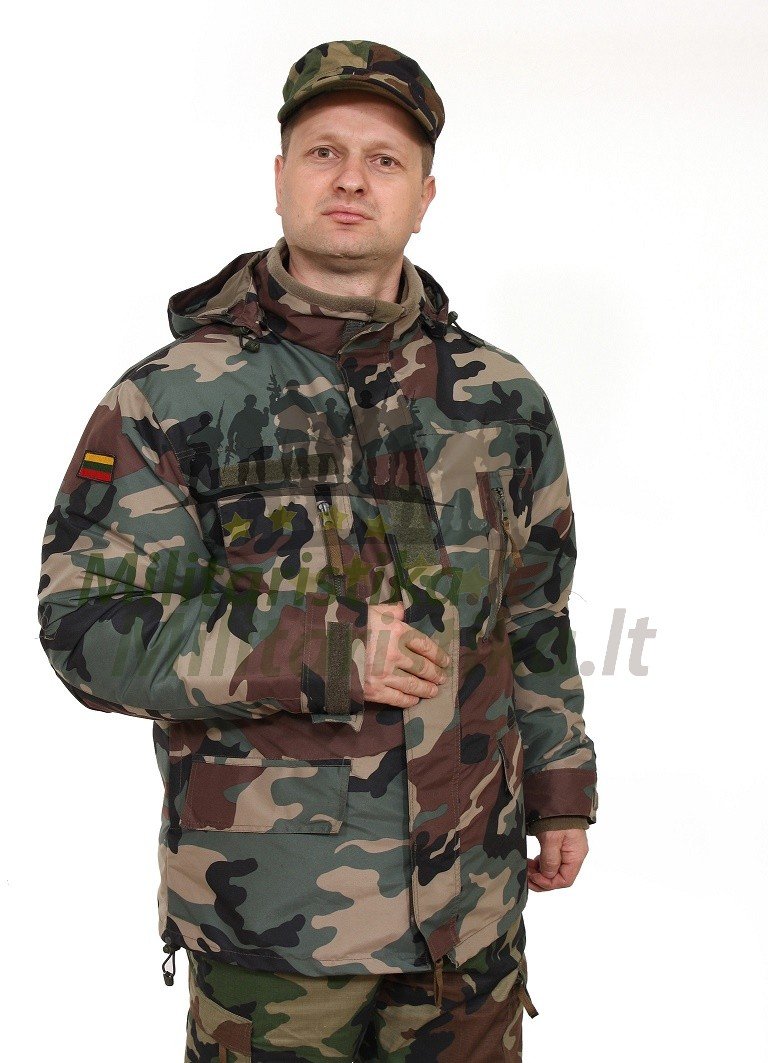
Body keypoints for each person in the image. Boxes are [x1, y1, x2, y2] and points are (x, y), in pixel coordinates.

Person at [37, 39, 598, 1062]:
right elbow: (89, 630)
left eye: (384, 160)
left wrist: (562, 789)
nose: (351, 178)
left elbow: (536, 614)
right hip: (275, 935)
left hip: (471, 920)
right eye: (324, 151)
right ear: (280, 176)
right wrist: (328, 652)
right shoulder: (174, 396)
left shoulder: (501, 397)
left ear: (424, 196)